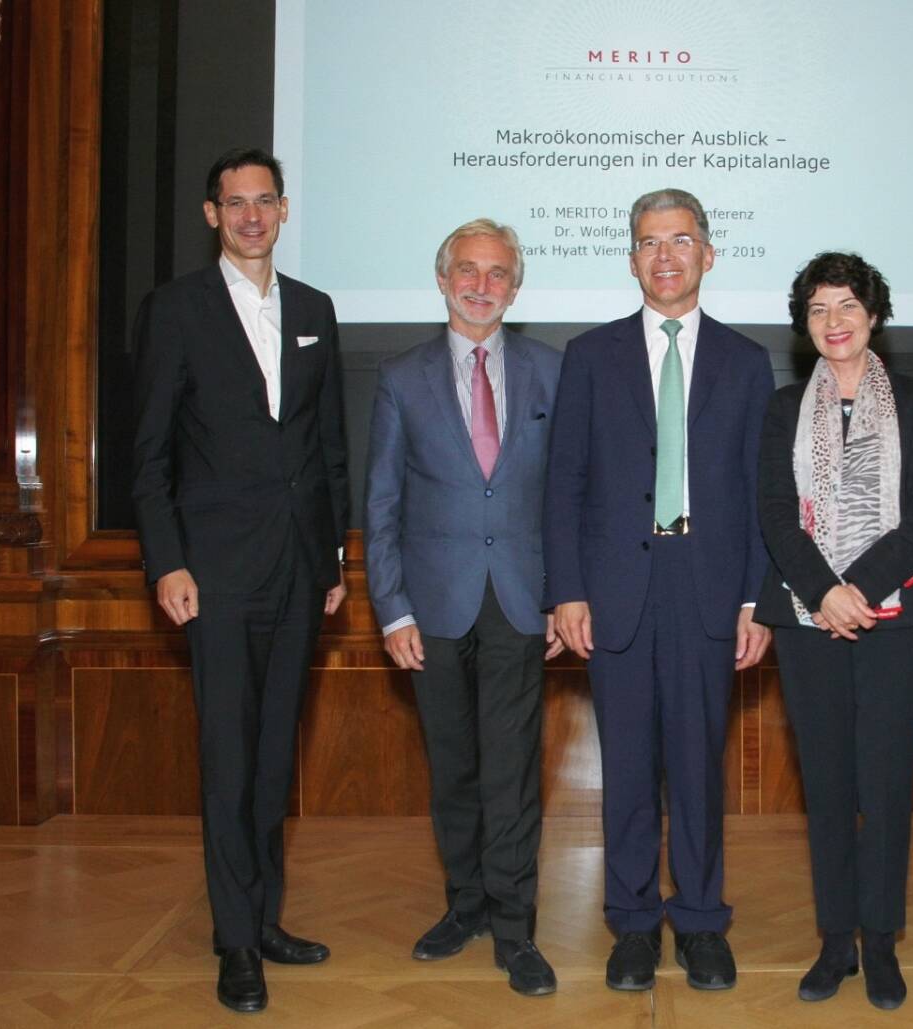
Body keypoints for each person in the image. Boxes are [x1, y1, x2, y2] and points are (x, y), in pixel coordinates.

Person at [131, 147, 350, 1014]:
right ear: (212, 215)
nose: (252, 215)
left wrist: (334, 557)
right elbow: (148, 456)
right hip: (213, 573)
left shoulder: (316, 309)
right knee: (227, 757)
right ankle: (234, 944)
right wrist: (166, 560)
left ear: (285, 211)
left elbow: (328, 445)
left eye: (265, 200)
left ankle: (264, 918)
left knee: (270, 760)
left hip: (301, 568)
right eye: (235, 203)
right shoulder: (175, 310)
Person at [543, 188, 775, 992]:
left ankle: (703, 919)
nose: (665, 255)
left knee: (699, 765)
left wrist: (756, 598)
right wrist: (567, 589)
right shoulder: (590, 355)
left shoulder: (747, 363)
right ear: (632, 257)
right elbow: (563, 481)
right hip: (616, 590)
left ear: (709, 254)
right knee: (630, 767)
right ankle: (634, 921)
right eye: (648, 242)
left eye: (681, 240)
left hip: (709, 588)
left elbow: (758, 492)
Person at [363, 218, 562, 996]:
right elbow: (381, 500)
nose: (483, 285)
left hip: (521, 601)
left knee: (512, 772)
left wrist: (564, 597)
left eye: (499, 273)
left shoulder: (552, 369)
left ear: (517, 286)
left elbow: (567, 495)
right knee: (453, 771)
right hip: (432, 607)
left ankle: (516, 930)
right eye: (469, 271)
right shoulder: (400, 376)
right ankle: (465, 905)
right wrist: (392, 608)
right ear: (443, 279)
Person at [754, 252, 913, 1010]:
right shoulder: (781, 409)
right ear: (806, 324)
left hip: (896, 617)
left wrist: (857, 588)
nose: (834, 322)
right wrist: (822, 592)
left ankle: (882, 940)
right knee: (828, 781)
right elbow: (773, 511)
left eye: (847, 307)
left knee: (886, 782)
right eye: (818, 310)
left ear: (874, 315)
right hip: (807, 619)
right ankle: (836, 939)